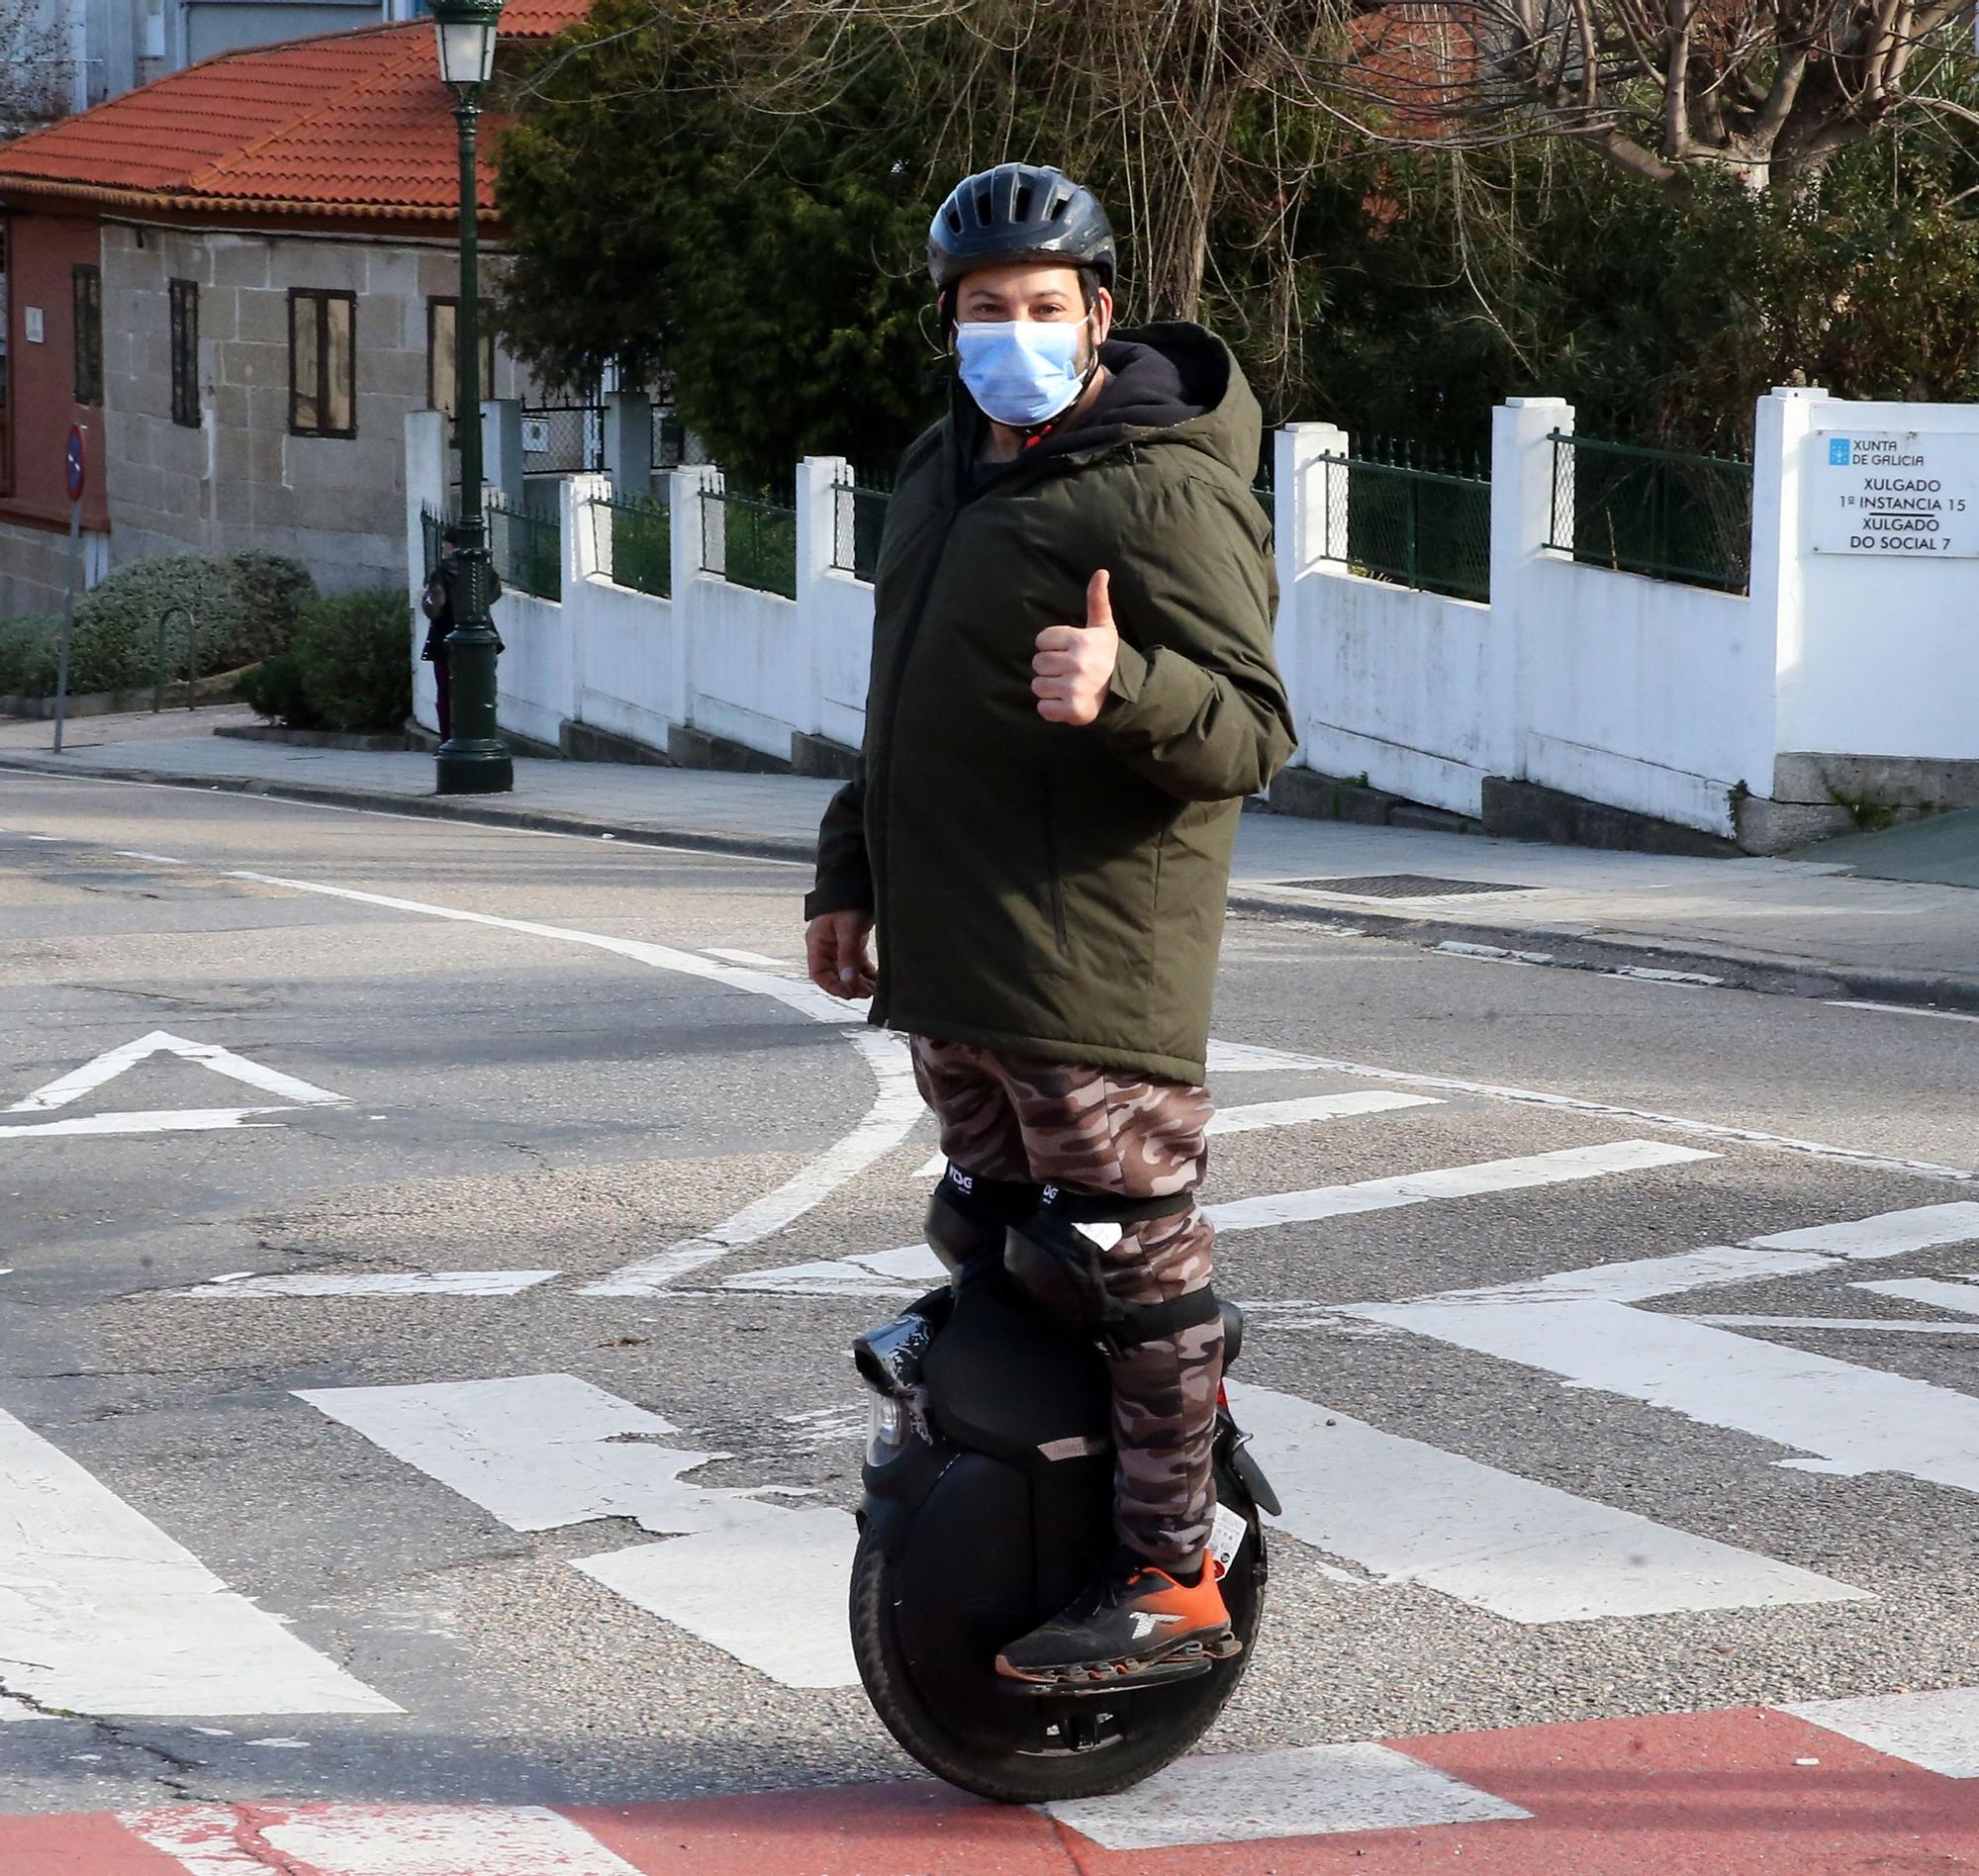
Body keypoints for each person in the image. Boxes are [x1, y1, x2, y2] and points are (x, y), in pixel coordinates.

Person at [804, 162, 1295, 1686]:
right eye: (979, 309)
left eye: (1037, 306)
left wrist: (1124, 686)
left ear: (1096, 314)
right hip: (955, 959)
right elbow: (905, 707)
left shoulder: (1162, 482)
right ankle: (1059, 1489)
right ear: (947, 324)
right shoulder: (939, 468)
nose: (1007, 331)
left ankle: (1170, 1571)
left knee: (1131, 1265)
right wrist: (848, 869)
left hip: (1090, 964)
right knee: (996, 1244)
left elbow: (1254, 734)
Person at [420, 525, 501, 742]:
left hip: (447, 638)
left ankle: (449, 738)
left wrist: (426, 598)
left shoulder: (442, 572)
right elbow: (494, 595)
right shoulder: (484, 569)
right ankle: (483, 735)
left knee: (446, 693)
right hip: (484, 637)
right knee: (482, 690)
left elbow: (435, 606)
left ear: (451, 545)